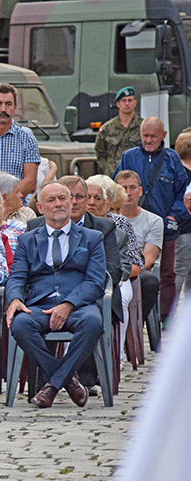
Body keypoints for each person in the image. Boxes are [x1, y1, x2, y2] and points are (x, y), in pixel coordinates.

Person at [6, 181, 106, 408]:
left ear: (71, 201)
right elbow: (17, 277)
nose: (58, 204)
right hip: (39, 304)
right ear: (40, 208)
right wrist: (15, 299)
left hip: (79, 305)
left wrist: (69, 304)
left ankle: (51, 385)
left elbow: (95, 282)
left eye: (63, 198)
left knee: (92, 322)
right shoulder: (27, 239)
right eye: (51, 200)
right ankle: (67, 380)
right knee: (20, 324)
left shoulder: (92, 238)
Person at [27, 175, 124, 394]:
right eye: (69, 196)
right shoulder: (34, 226)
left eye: (80, 196)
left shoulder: (102, 228)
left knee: (90, 317)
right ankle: (62, 379)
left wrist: (75, 297)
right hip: (45, 296)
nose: (75, 201)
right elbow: (27, 271)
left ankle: (85, 379)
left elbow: (112, 272)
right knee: (27, 319)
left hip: (90, 296)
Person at [114, 117, 189, 321]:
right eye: (144, 136)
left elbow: (184, 192)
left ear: (163, 136)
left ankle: (165, 318)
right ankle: (137, 314)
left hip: (166, 225)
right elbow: (116, 185)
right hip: (131, 223)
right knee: (136, 269)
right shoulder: (129, 157)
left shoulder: (172, 158)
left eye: (152, 136)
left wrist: (174, 215)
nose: (148, 140)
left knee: (168, 274)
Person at [86, 175, 142, 352]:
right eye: (86, 197)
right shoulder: (75, 222)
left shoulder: (119, 223)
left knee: (121, 298)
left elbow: (134, 263)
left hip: (117, 276)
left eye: (97, 198)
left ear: (107, 201)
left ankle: (115, 354)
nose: (91, 203)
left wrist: (117, 273)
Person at [115, 170, 162, 322]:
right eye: (123, 188)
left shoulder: (154, 221)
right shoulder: (110, 217)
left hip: (136, 267)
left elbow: (148, 261)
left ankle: (136, 324)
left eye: (132, 188)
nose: (128, 193)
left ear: (140, 191)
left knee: (150, 281)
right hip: (113, 264)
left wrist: (127, 270)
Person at [94, 87, 142, 177]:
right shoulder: (107, 128)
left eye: (130, 100)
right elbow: (100, 152)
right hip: (114, 175)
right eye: (124, 101)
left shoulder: (143, 126)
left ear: (135, 103)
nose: (127, 103)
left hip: (137, 175)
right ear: (118, 104)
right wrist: (107, 170)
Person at [173, 132, 191, 298]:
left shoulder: (175, 171)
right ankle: (170, 313)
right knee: (180, 273)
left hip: (182, 230)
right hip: (185, 231)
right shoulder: (184, 174)